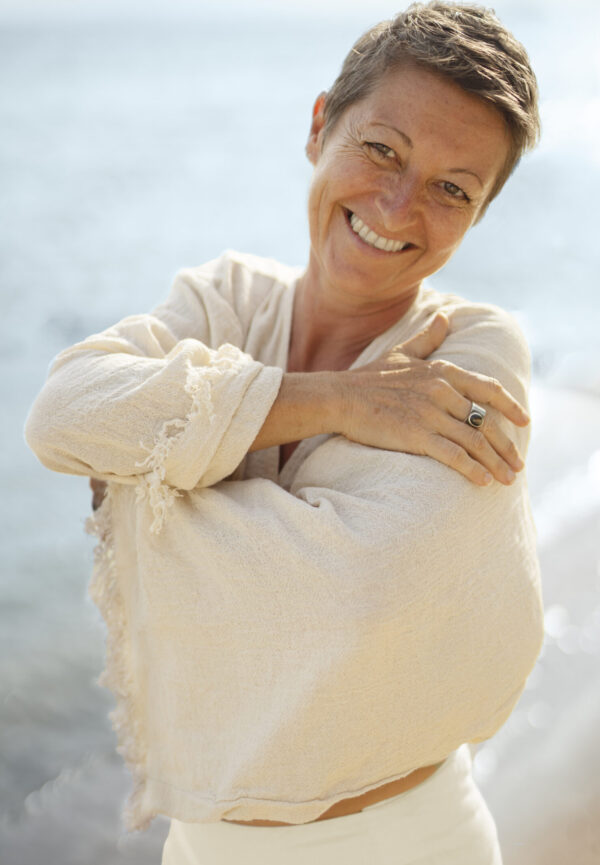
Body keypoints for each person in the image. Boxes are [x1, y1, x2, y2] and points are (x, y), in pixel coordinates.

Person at [25, 3, 544, 863]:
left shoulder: (472, 354)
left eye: (454, 188)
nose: (399, 203)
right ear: (319, 127)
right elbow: (62, 414)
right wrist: (340, 399)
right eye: (382, 148)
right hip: (199, 839)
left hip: (402, 842)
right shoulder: (222, 300)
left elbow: (351, 595)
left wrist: (151, 482)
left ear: (478, 215)